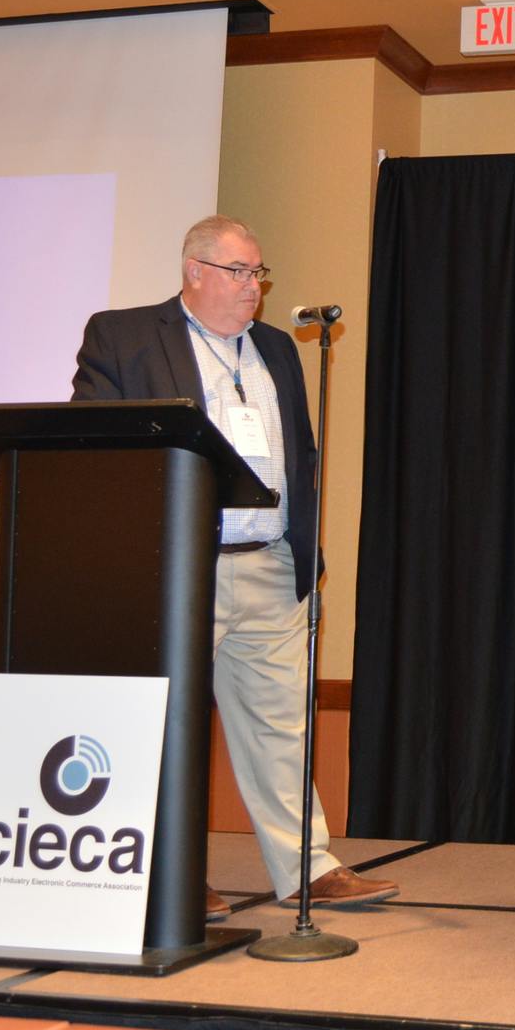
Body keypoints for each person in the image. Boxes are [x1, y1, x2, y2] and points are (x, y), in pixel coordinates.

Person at [71, 215, 398, 920]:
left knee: (283, 726)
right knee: (167, 724)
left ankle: (307, 870)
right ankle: (169, 873)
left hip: (270, 563)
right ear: (195, 270)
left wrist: (303, 549)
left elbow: (299, 454)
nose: (255, 287)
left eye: (259, 273)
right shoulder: (125, 337)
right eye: (241, 272)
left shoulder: (278, 349)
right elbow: (92, 443)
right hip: (179, 564)